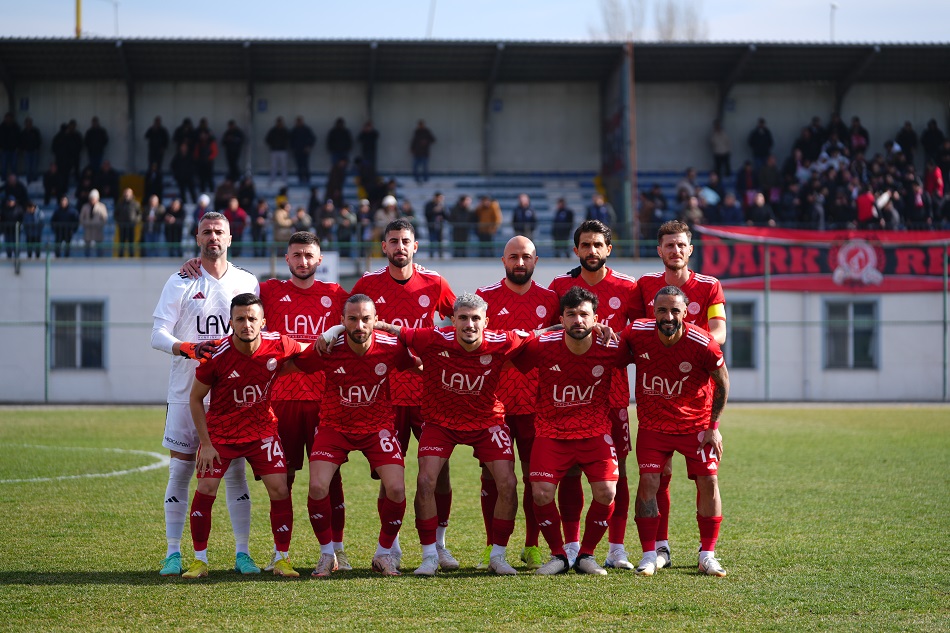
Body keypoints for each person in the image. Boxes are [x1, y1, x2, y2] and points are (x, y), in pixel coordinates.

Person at [374, 293, 533, 576]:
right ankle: (429, 556)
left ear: (486, 321)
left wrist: (585, 328)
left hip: (486, 422)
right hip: (440, 423)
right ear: (452, 320)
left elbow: (540, 335)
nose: (469, 324)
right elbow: (395, 331)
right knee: (426, 480)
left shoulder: (502, 340)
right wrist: (343, 329)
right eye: (463, 318)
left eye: (475, 318)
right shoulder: (433, 338)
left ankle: (498, 555)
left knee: (508, 482)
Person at [150, 211, 260, 578]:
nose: (213, 237)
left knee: (235, 472)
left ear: (230, 238)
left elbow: (257, 330)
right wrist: (188, 348)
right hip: (186, 393)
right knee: (180, 470)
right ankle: (173, 553)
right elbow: (157, 335)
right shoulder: (179, 281)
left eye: (219, 232)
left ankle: (243, 553)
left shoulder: (247, 281)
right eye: (207, 232)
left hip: (232, 396)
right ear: (198, 238)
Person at [349, 218, 457, 570]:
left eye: (405, 241)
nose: (399, 247)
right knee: (389, 474)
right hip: (384, 395)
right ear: (384, 247)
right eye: (393, 241)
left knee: (439, 472)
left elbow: (460, 320)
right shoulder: (368, 283)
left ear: (415, 246)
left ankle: (439, 544)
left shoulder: (435, 282)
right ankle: (391, 546)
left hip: (429, 393)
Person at [287, 294, 417, 577]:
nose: (359, 325)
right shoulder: (328, 348)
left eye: (366, 319)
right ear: (342, 321)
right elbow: (293, 365)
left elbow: (417, 365)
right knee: (317, 486)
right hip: (335, 426)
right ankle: (327, 554)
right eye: (353, 319)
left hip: (378, 427)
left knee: (396, 489)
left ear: (375, 320)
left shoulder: (390, 347)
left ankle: (383, 554)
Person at [181, 293, 302, 579]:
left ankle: (281, 559)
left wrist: (331, 339)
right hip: (221, 433)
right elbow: (195, 399)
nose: (246, 324)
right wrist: (206, 444)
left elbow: (309, 352)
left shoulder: (278, 344)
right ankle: (199, 561)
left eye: (251, 318)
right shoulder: (216, 356)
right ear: (231, 322)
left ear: (263, 322)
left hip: (262, 430)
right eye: (240, 319)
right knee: (206, 488)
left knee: (280, 489)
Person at [628, 219, 726, 570]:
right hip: (656, 403)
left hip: (695, 402)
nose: (675, 250)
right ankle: (659, 549)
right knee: (657, 477)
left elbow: (719, 332)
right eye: (669, 245)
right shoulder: (645, 285)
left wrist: (686, 341)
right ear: (660, 250)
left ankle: (707, 553)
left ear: (690, 249)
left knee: (708, 478)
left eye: (681, 245)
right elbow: (634, 331)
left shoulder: (710, 286)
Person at [513, 286, 632, 575]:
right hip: (551, 432)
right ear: (561, 319)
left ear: (596, 319)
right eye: (571, 315)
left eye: (584, 314)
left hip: (595, 430)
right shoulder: (544, 345)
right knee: (540, 493)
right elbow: (511, 357)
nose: (578, 320)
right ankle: (558, 555)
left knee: (607, 491)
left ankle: (586, 555)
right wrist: (541, 332)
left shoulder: (611, 346)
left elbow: (643, 352)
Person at [548, 219, 638, 570]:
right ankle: (572, 547)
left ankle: (616, 548)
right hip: (570, 396)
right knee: (570, 472)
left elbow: (640, 335)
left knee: (618, 474)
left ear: (608, 249)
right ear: (576, 250)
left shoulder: (628, 287)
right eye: (585, 245)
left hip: (613, 394)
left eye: (598, 244)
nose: (592, 250)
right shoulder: (560, 286)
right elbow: (548, 332)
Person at [474, 236, 560, 570]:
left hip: (539, 405)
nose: (519, 263)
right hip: (493, 404)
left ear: (536, 260)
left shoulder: (550, 300)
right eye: (513, 256)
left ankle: (531, 545)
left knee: (533, 478)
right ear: (503, 260)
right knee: (493, 477)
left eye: (526, 256)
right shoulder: (484, 297)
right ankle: (490, 546)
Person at [78, 188, 108, 257]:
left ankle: (100, 259)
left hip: (98, 230)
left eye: (94, 198)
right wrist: (87, 223)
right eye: (91, 198)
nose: (92, 200)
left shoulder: (101, 207)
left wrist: (98, 224)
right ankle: (87, 259)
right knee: (87, 247)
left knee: (99, 246)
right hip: (88, 230)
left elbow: (104, 218)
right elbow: (81, 218)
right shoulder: (85, 207)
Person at [114, 188, 142, 258]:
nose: (127, 195)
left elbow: (139, 214)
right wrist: (119, 221)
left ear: (132, 194)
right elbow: (115, 214)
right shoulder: (120, 203)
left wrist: (135, 221)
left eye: (128, 193)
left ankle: (131, 256)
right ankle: (121, 256)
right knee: (122, 242)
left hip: (131, 226)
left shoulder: (135, 204)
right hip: (122, 226)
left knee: (131, 242)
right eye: (125, 193)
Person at [291, 116, 316, 184]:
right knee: (299, 166)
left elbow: (312, 138)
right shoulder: (294, 130)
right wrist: (293, 148)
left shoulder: (306, 130)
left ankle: (307, 178)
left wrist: (308, 146)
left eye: (300, 121)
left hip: (305, 151)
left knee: (305, 165)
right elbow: (291, 141)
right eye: (298, 122)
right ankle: (300, 179)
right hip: (297, 151)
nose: (299, 123)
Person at [266, 117, 290, 184]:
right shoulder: (273, 131)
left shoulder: (285, 130)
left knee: (284, 165)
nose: (279, 123)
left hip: (283, 150)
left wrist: (285, 145)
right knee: (273, 166)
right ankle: (272, 178)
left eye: (280, 122)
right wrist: (273, 144)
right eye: (278, 122)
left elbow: (289, 139)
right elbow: (267, 139)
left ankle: (284, 178)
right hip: (274, 150)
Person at [449, 194, 473, 258]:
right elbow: (451, 219)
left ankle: (464, 257)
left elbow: (472, 219)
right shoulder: (455, 209)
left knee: (464, 246)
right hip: (457, 231)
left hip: (465, 231)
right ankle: (456, 257)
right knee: (457, 245)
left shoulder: (469, 210)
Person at [18, 117, 41, 183]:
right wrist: (23, 149)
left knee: (34, 166)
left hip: (34, 151)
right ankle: (29, 179)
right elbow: (21, 142)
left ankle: (34, 179)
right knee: (28, 166)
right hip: (27, 151)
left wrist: (37, 148)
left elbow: (39, 140)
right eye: (27, 123)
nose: (29, 124)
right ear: (25, 124)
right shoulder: (23, 132)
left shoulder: (35, 131)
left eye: (30, 123)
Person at [424, 191, 447, 258]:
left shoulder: (443, 205)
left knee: (440, 242)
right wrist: (434, 210)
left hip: (440, 226)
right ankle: (431, 256)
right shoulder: (429, 205)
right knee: (432, 241)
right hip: (431, 226)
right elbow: (426, 214)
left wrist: (442, 213)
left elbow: (447, 216)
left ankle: (440, 255)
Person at [0, 112, 20, 179]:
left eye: (10, 118)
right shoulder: (2, 127)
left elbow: (19, 137)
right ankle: (3, 178)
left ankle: (14, 179)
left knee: (14, 166)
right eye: (7, 118)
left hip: (14, 150)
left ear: (12, 118)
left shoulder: (16, 127)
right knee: (4, 166)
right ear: (5, 118)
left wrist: (18, 147)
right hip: (4, 150)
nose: (8, 119)